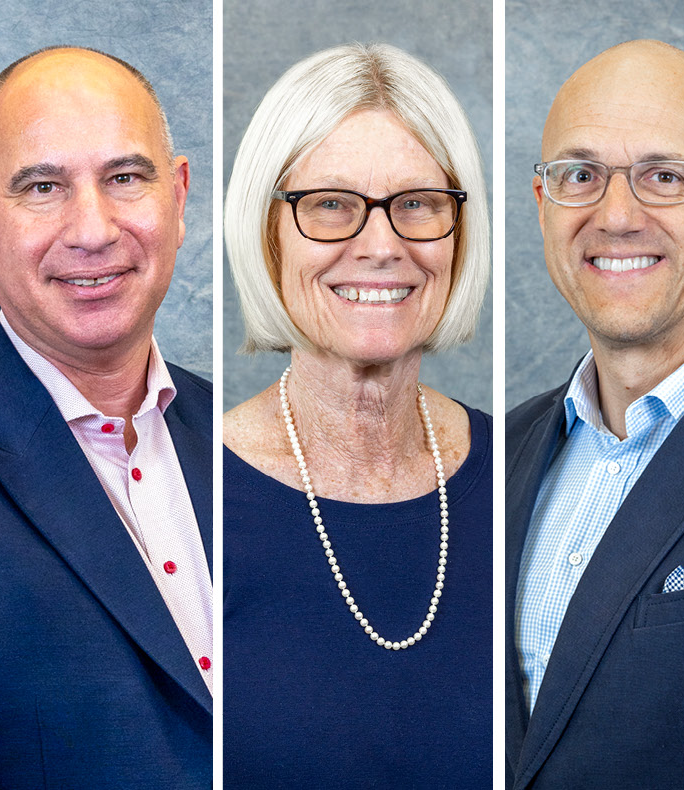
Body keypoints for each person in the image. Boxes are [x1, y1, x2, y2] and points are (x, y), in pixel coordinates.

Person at [222, 43, 492, 786]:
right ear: (267, 229)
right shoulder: (184, 493)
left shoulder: (529, 474)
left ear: (459, 230)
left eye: (417, 205)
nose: (381, 245)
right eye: (332, 205)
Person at [505, 40, 684, 788]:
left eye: (664, 176)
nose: (616, 215)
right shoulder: (494, 459)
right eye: (580, 175)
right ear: (542, 204)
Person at [0, 46, 211, 789]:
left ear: (180, 198)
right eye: (42, 186)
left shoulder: (253, 441)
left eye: (125, 178)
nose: (92, 229)